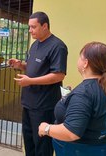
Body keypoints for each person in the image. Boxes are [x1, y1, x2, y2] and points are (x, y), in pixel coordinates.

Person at [38, 42, 106, 156]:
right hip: (105, 148)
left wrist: (46, 128)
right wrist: (71, 100)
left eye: (80, 56)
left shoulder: (84, 94)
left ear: (85, 63)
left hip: (79, 150)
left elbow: (71, 133)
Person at [9, 12, 68, 156]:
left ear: (45, 26)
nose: (30, 30)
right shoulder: (35, 44)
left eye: (33, 27)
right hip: (28, 103)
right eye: (29, 27)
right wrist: (21, 65)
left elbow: (59, 74)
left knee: (43, 146)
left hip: (44, 105)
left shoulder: (57, 46)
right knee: (29, 143)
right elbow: (33, 66)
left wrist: (30, 81)